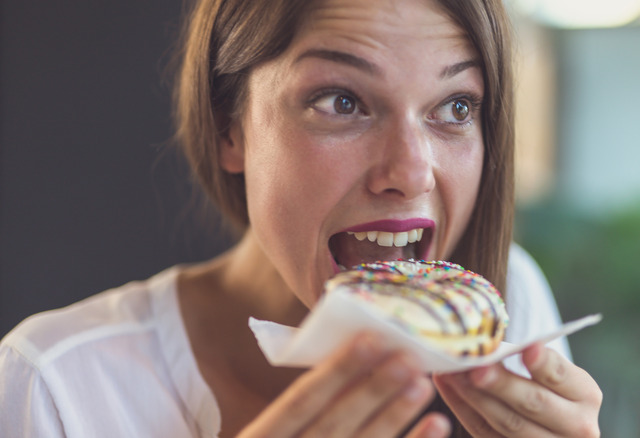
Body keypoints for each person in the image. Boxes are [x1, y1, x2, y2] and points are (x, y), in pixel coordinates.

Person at [0, 0, 602, 436]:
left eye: (455, 106)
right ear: (227, 127)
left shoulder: (506, 305)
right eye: (342, 102)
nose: (411, 172)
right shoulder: (56, 387)